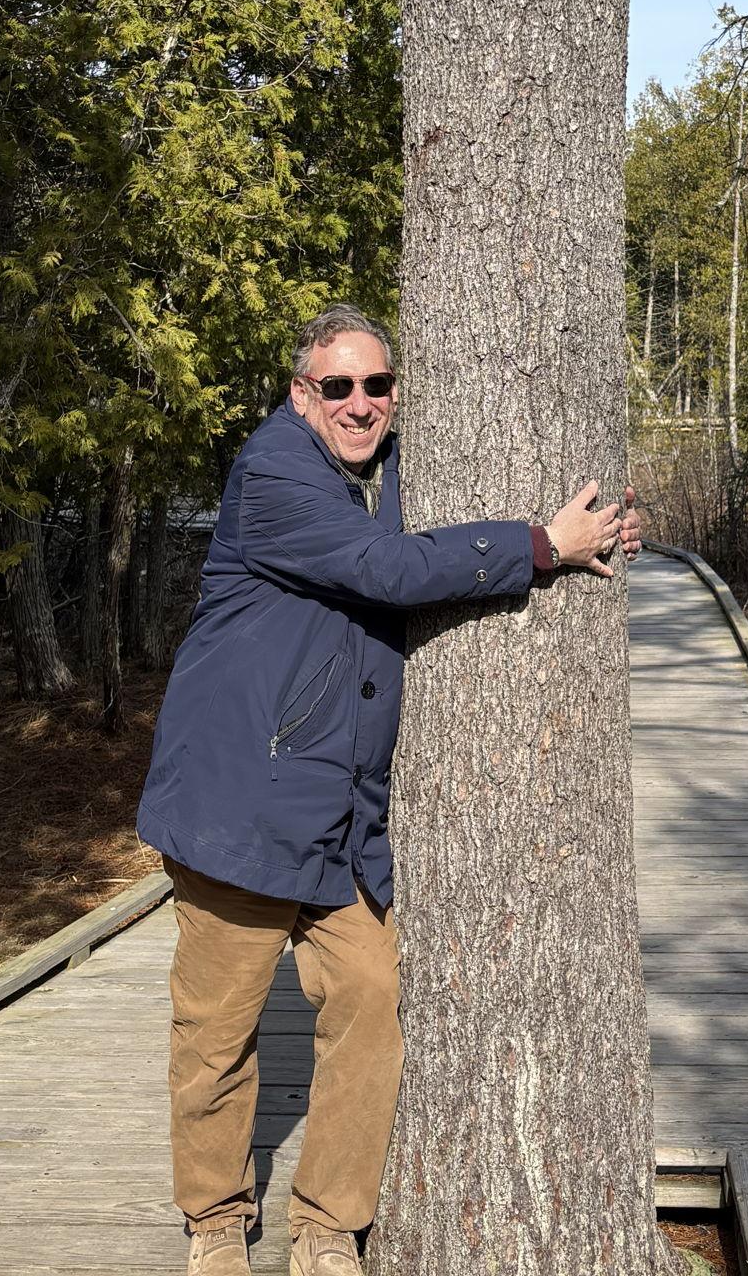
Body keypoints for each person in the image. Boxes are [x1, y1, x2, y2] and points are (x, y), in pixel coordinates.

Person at [136, 304, 642, 1276]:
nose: (360, 403)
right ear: (300, 393)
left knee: (371, 1001)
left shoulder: (390, 467)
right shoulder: (276, 472)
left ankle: (327, 1226)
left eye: (377, 385)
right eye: (338, 386)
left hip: (341, 825)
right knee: (215, 1036)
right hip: (237, 810)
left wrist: (603, 526)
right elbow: (386, 567)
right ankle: (214, 1220)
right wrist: (538, 542)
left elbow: (451, 518)